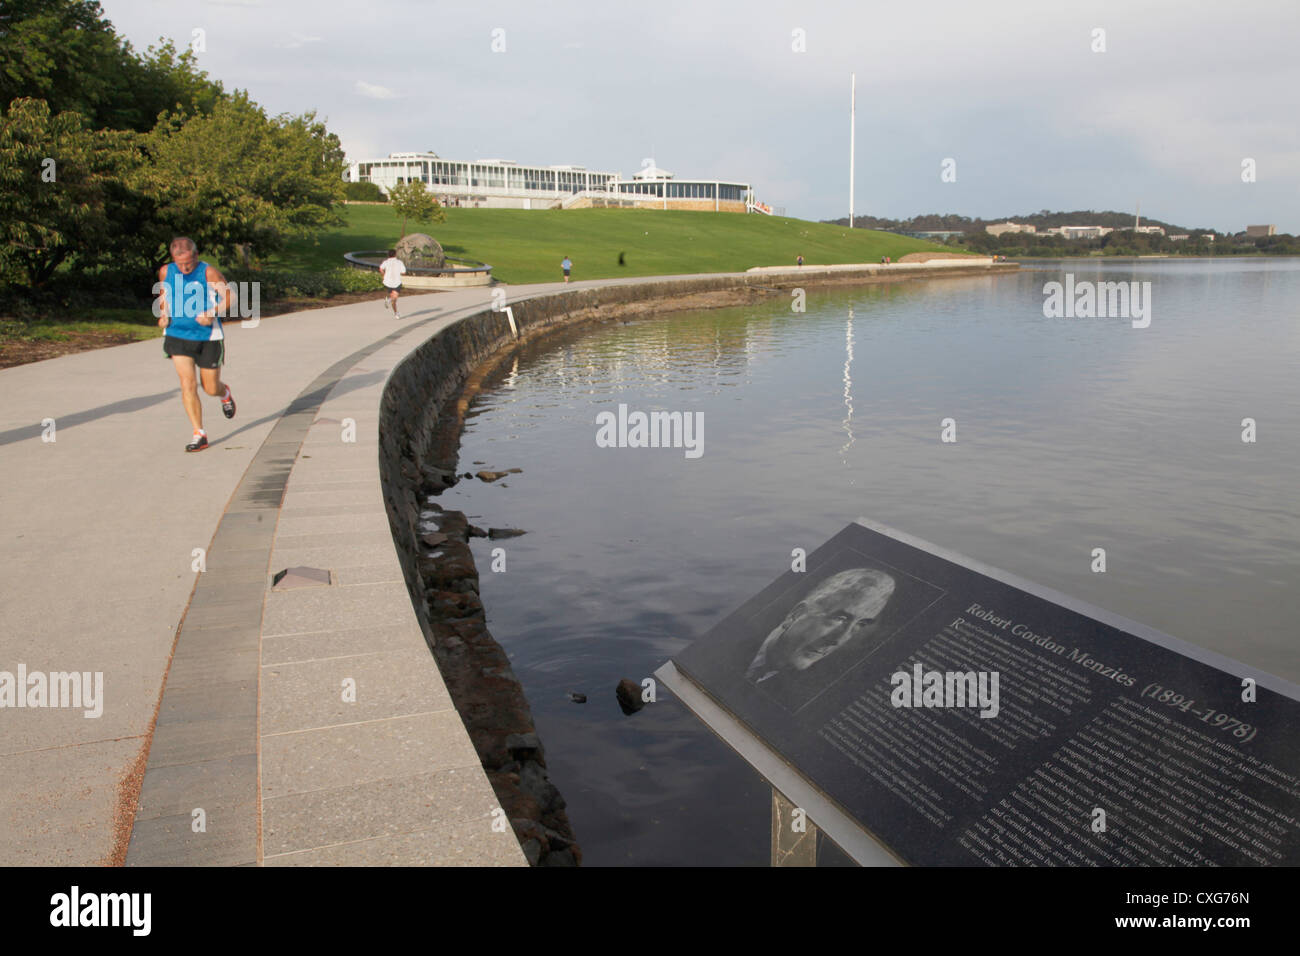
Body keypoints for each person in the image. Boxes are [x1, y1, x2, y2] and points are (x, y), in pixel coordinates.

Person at [745, 568, 896, 688]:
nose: (839, 640)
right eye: (839, 618)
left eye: (860, 624)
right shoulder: (744, 630)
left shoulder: (814, 689)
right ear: (797, 614)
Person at [157, 237, 236, 453]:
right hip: (177, 335)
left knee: (210, 388)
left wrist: (212, 313)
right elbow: (164, 294)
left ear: (196, 256)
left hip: (208, 337)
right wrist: (163, 314)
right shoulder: (166, 271)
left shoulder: (208, 272)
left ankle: (224, 393)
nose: (184, 268)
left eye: (188, 263)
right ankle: (199, 433)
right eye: (180, 263)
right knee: (187, 384)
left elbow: (230, 297)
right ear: (173, 259)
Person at [379, 249, 406, 318]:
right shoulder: (399, 262)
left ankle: (396, 313)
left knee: (394, 299)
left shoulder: (386, 262)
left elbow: (381, 268)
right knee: (395, 298)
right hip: (396, 282)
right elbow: (403, 272)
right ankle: (389, 300)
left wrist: (383, 275)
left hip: (388, 282)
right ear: (395, 254)